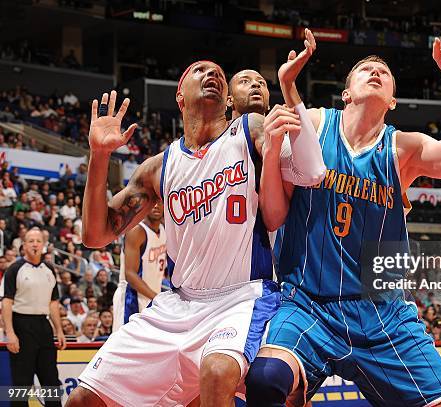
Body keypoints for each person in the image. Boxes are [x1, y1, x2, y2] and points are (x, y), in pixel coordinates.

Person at [246, 31, 441, 407]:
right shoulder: (316, 123)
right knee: (267, 380)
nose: (376, 71)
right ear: (346, 93)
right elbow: (273, 208)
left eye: (384, 71)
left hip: (384, 314)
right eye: (365, 69)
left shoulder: (403, 150)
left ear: (393, 100)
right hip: (309, 305)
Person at [66, 55, 325, 406]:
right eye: (200, 71)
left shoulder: (249, 129)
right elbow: (96, 235)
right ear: (179, 95)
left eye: (219, 73)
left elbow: (304, 167)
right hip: (177, 303)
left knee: (218, 375)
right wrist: (98, 156)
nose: (212, 75)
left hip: (240, 297)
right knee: (82, 399)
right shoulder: (158, 167)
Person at [0, 228, 66, 407]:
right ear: (24, 246)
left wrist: (59, 330)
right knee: (21, 383)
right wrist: (10, 333)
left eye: (38, 241)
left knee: (51, 380)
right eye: (31, 241)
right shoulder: (14, 269)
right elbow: (6, 302)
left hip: (44, 326)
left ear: (43, 245)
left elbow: (53, 303)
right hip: (21, 324)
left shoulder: (49, 269)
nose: (35, 244)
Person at [112, 203, 166, 332]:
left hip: (152, 298)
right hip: (131, 299)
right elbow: (130, 275)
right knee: (124, 348)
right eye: (153, 202)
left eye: (159, 201)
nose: (156, 205)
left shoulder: (164, 229)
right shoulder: (137, 231)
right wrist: (158, 298)